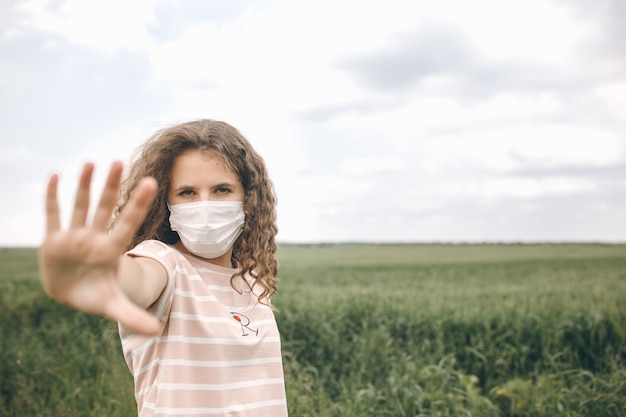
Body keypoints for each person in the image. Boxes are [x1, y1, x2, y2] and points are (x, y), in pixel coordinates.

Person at [38, 119, 289, 416]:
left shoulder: (251, 280)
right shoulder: (163, 263)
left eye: (222, 190)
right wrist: (105, 274)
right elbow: (138, 281)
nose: (204, 206)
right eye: (187, 192)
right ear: (165, 202)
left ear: (248, 199)